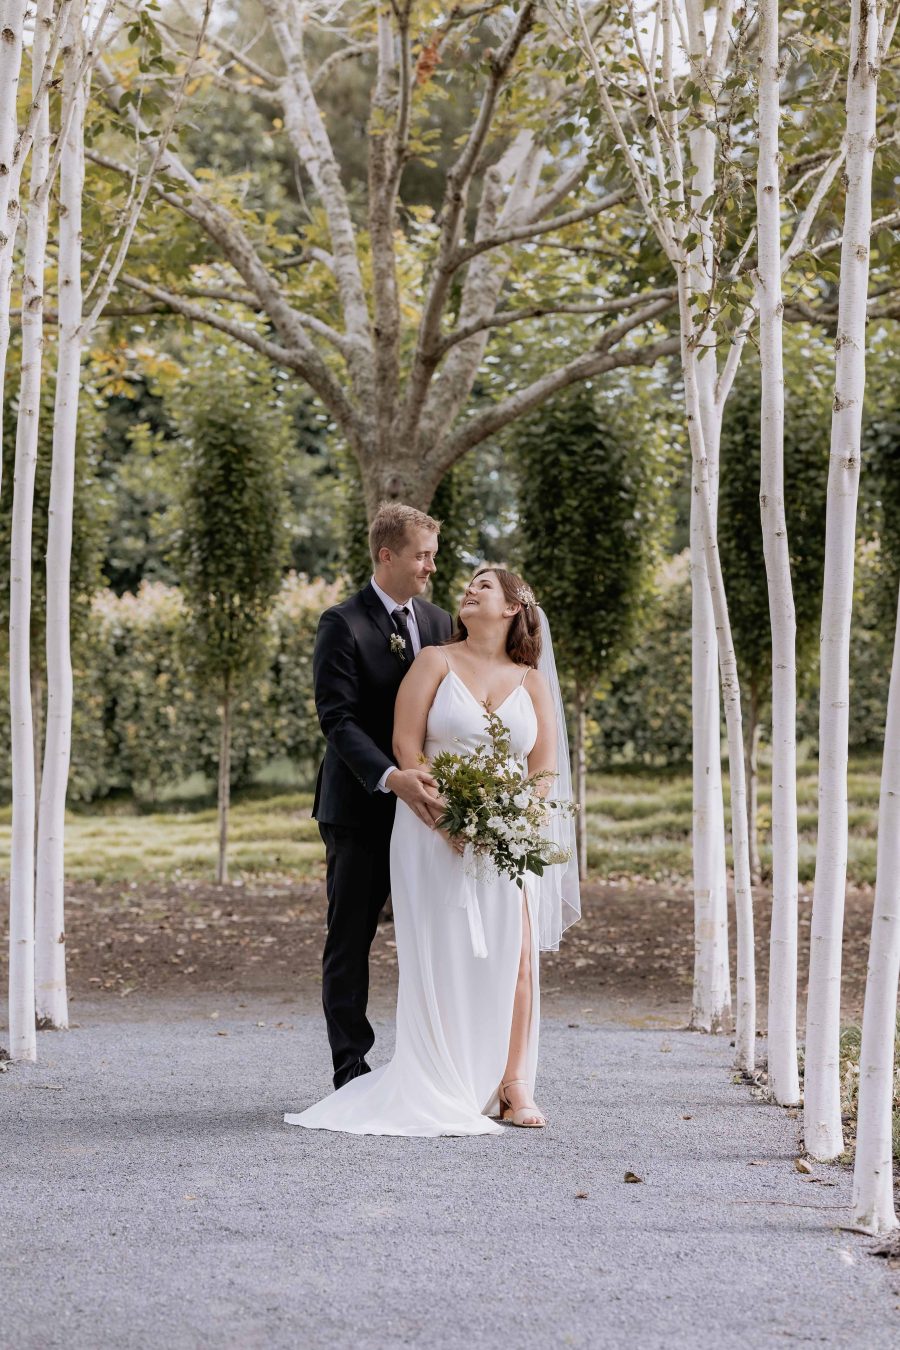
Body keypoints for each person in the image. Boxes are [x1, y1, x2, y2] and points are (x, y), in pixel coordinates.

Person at [286, 567, 580, 1136]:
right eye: (467, 583)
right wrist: (446, 815)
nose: (467, 589)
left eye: (484, 585)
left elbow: (543, 767)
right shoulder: (434, 661)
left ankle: (513, 1082)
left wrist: (517, 815)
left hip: (507, 836)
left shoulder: (531, 681)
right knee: (442, 953)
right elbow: (405, 742)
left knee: (515, 955)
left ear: (515, 605)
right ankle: (441, 1075)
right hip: (431, 828)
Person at [310, 502, 453, 1089]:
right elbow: (337, 720)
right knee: (351, 936)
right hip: (360, 807)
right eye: (422, 557)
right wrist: (391, 776)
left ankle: (437, 1058)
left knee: (440, 931)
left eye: (434, 557)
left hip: (432, 811)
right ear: (386, 554)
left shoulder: (442, 623)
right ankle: (351, 1066)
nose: (430, 569)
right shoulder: (342, 623)